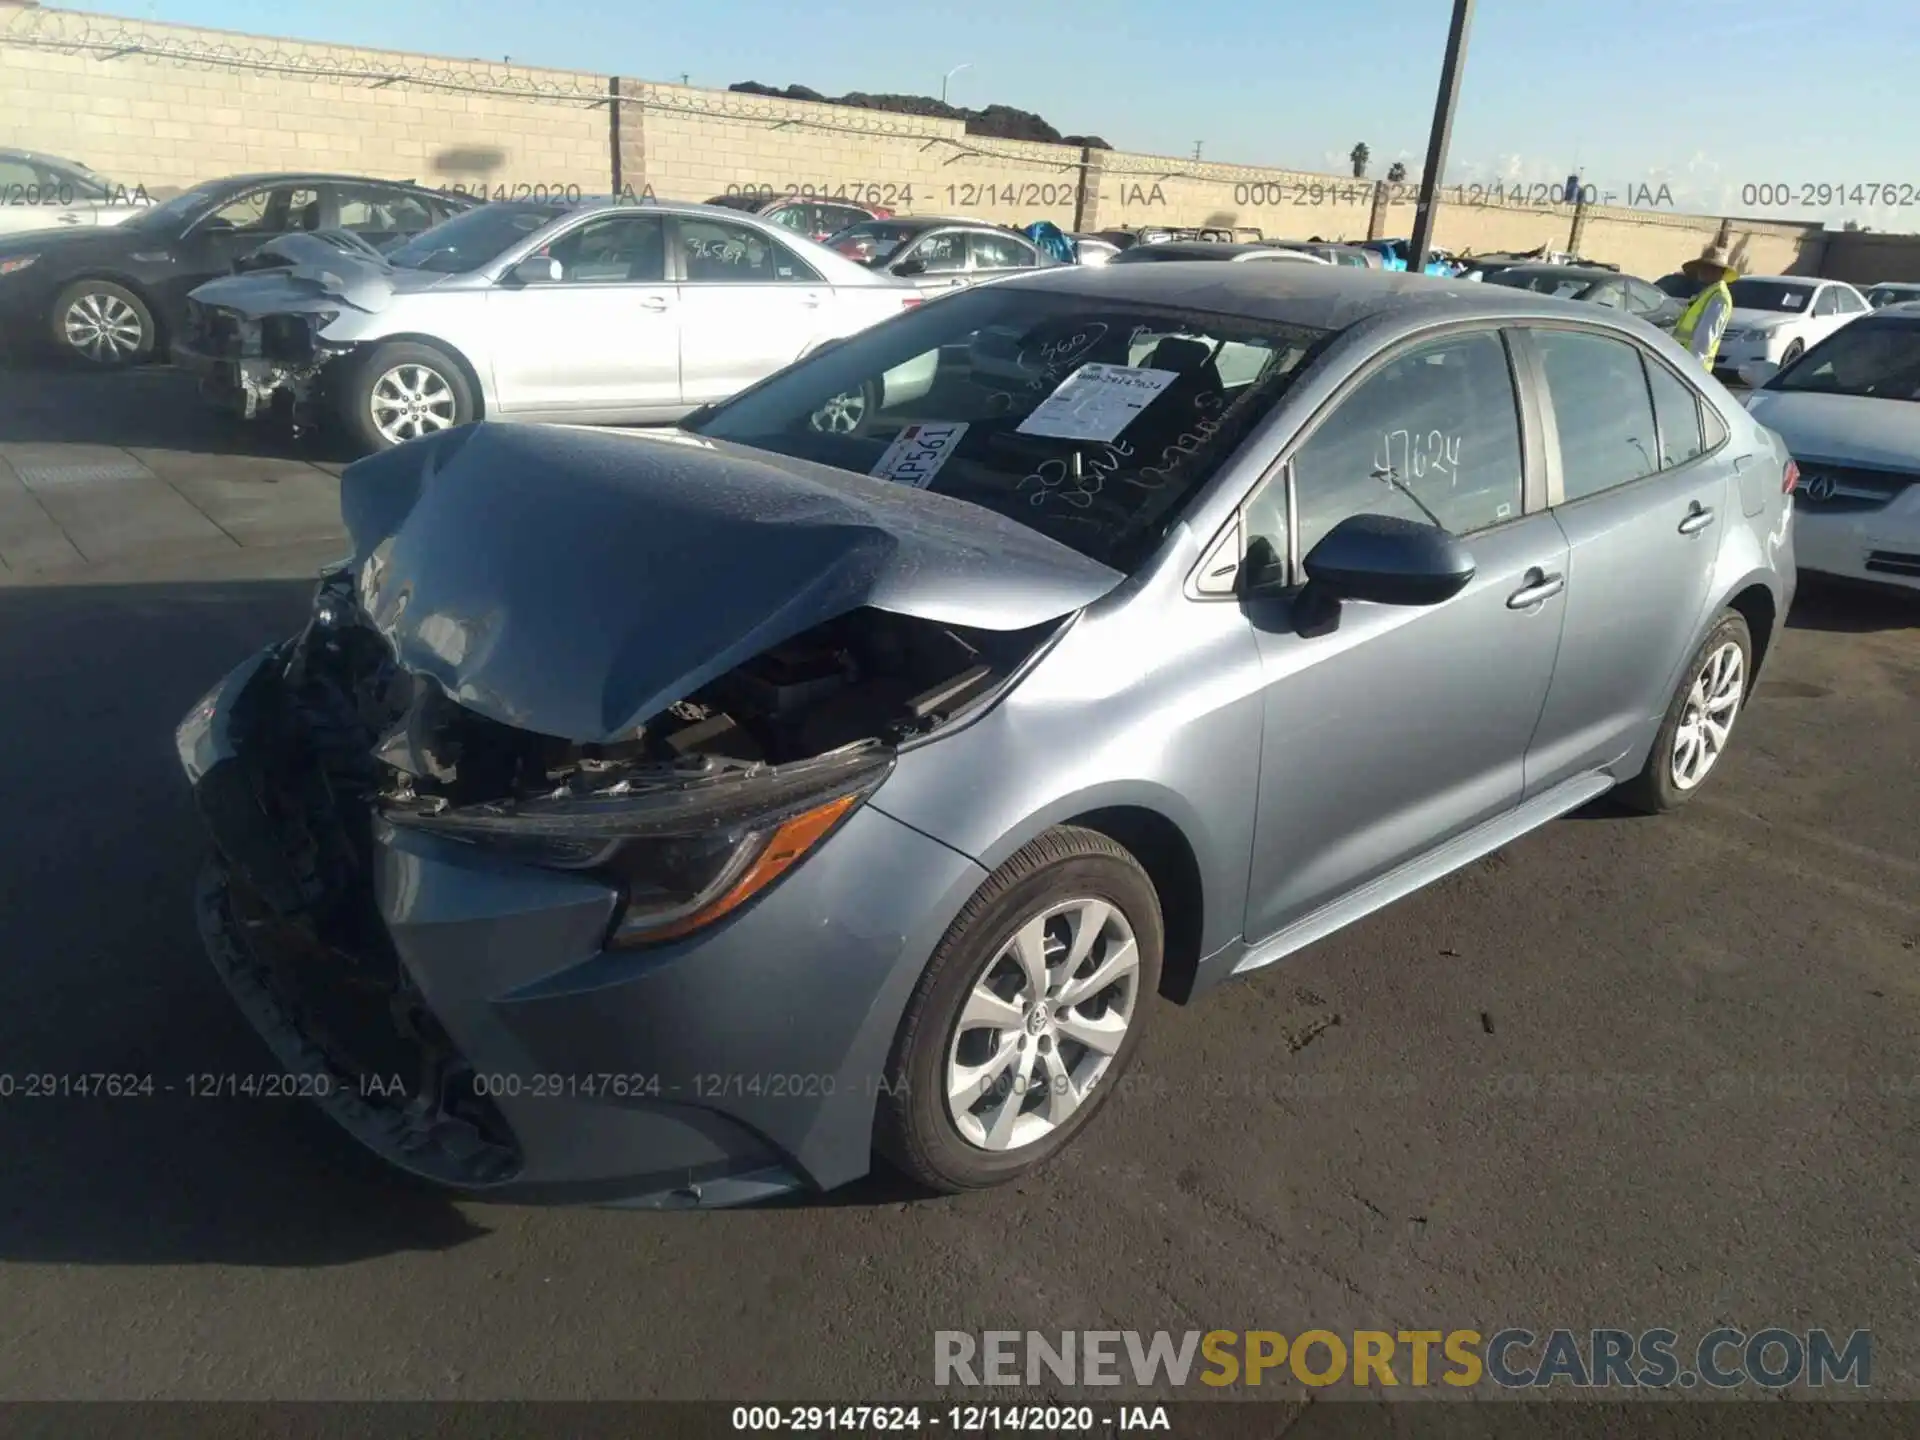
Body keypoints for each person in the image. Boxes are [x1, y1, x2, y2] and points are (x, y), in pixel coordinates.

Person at [1671, 244, 1738, 371]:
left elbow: (1704, 340)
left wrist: (1691, 369)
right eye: (1702, 267)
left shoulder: (1718, 298)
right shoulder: (1708, 293)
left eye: (1706, 268)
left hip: (1691, 367)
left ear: (1718, 272)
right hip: (1683, 363)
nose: (1701, 271)